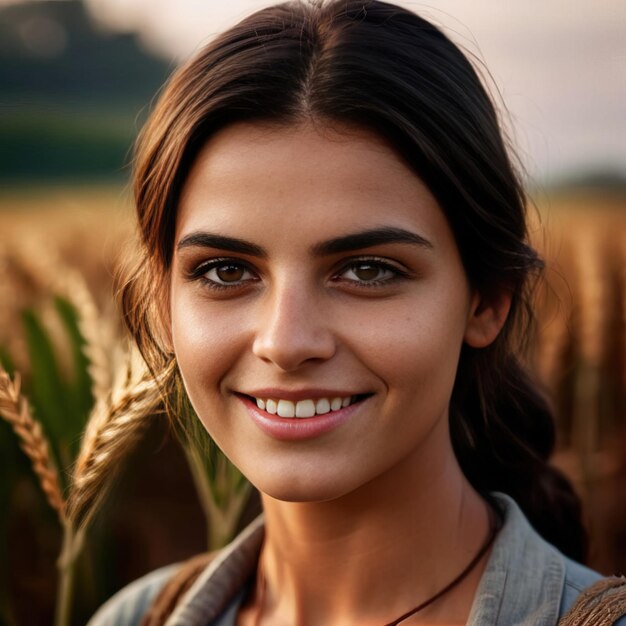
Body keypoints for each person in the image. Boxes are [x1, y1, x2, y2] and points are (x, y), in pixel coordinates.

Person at [88, 1, 626, 624]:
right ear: (163, 304)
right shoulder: (131, 617)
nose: (285, 342)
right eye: (225, 271)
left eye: (368, 270)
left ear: (487, 299)